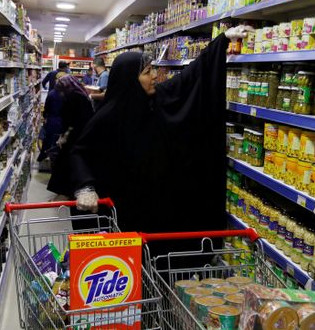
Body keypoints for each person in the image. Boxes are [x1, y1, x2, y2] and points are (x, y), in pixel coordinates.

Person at [69, 25, 252, 256]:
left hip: (160, 210)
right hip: (125, 214)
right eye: (147, 72)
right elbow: (80, 152)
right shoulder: (108, 116)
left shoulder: (159, 97)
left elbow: (191, 77)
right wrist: (85, 187)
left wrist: (222, 41)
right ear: (130, 79)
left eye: (153, 69)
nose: (154, 76)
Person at [47, 74, 95, 197]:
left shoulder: (72, 97)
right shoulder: (82, 93)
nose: (61, 93)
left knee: (65, 162)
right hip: (84, 133)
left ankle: (64, 193)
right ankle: (66, 192)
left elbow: (68, 118)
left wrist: (64, 135)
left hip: (75, 135)